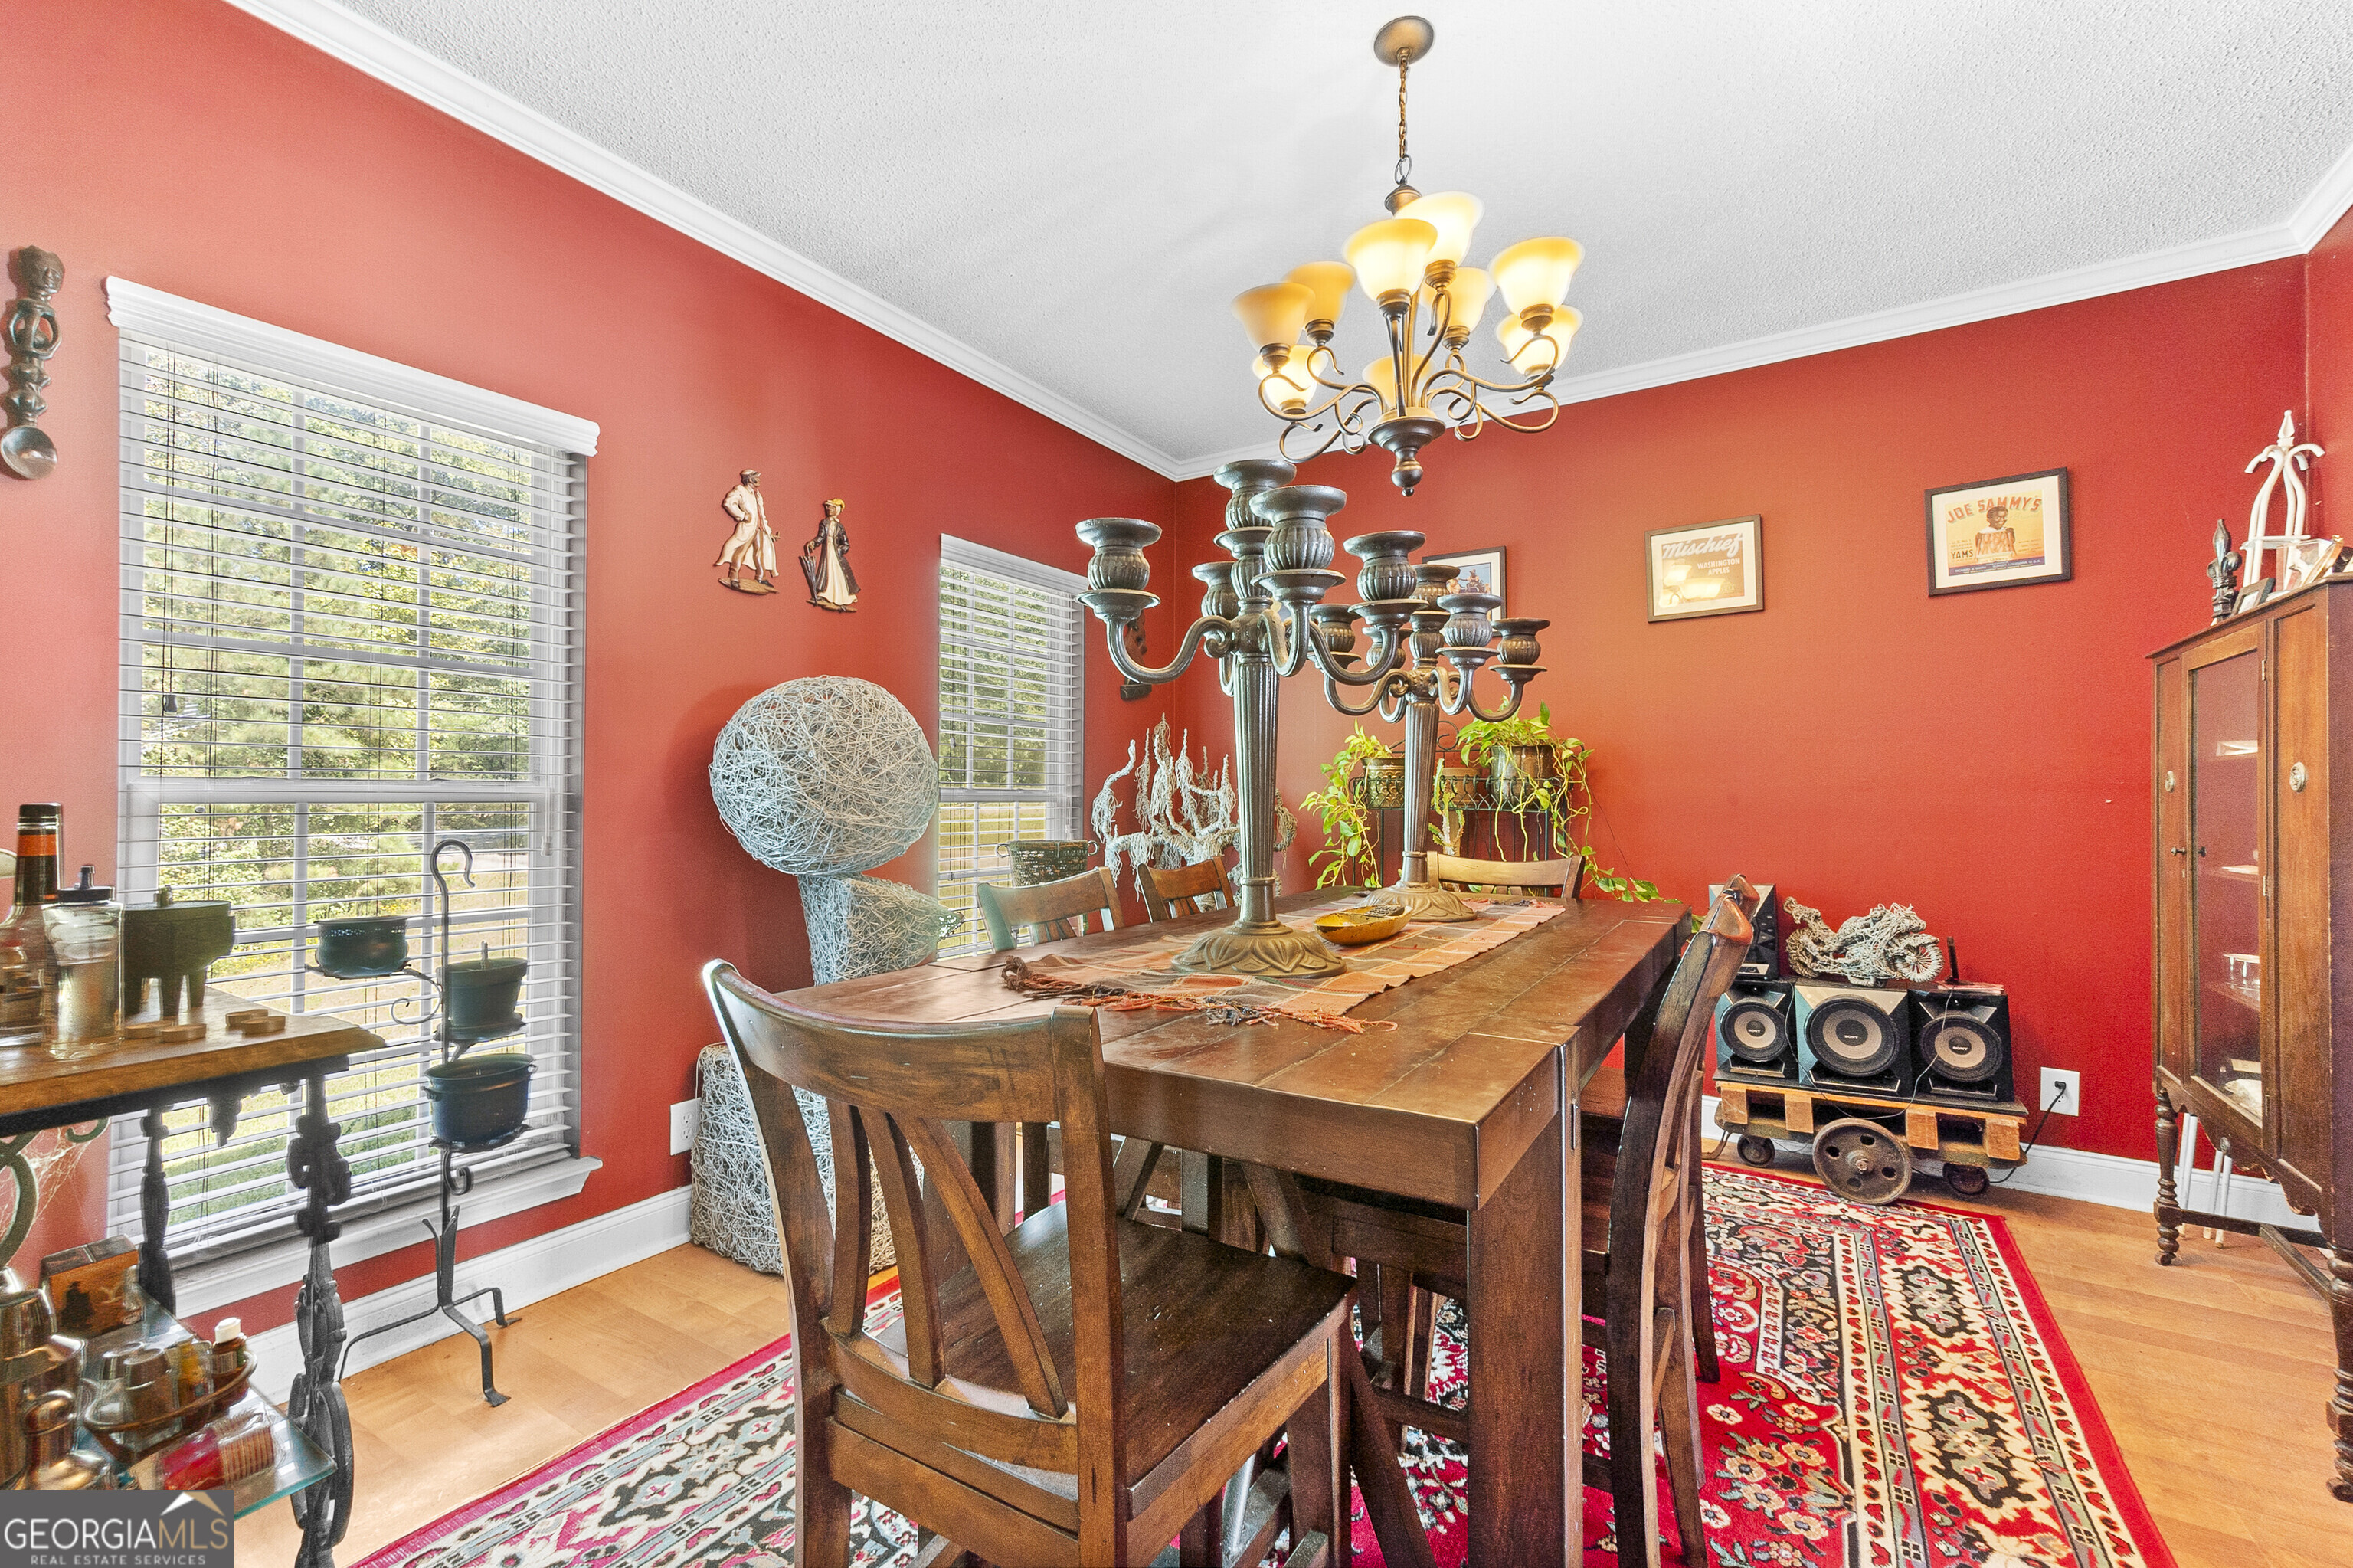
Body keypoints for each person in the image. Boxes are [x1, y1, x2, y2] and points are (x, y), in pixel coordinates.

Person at [715, 470, 777, 591]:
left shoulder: (757, 495)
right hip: (749, 528)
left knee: (760, 552)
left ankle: (761, 577)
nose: (759, 480)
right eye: (756, 477)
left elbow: (762, 515)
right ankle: (734, 576)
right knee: (742, 550)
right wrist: (742, 515)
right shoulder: (741, 491)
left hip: (759, 528)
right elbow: (729, 503)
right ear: (750, 479)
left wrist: (769, 532)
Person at [800, 498, 859, 611]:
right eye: (828, 508)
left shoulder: (840, 527)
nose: (828, 510)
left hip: (836, 552)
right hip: (827, 550)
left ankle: (842, 596)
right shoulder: (825, 523)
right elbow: (821, 537)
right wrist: (813, 543)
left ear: (836, 510)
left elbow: (846, 544)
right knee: (827, 570)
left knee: (838, 572)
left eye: (831, 508)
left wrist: (840, 550)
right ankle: (826, 594)